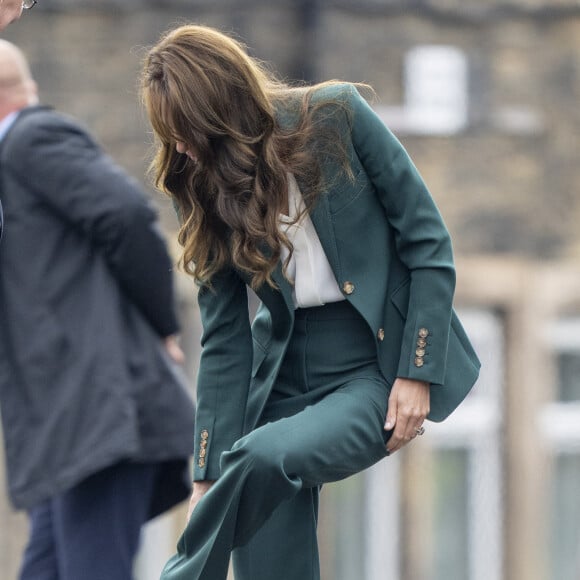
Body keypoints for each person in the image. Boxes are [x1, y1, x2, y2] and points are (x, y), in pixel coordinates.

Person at [141, 24, 481, 580]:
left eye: (186, 131)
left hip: (374, 367)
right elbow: (224, 337)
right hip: (278, 378)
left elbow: (429, 243)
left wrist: (419, 372)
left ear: (221, 110)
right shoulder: (198, 181)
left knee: (262, 457)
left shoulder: (335, 116)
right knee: (269, 562)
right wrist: (206, 471)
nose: (179, 147)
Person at [0, 40, 196, 580]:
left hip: (97, 411)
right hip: (63, 422)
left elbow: (129, 217)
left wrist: (163, 328)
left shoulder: (33, 139)